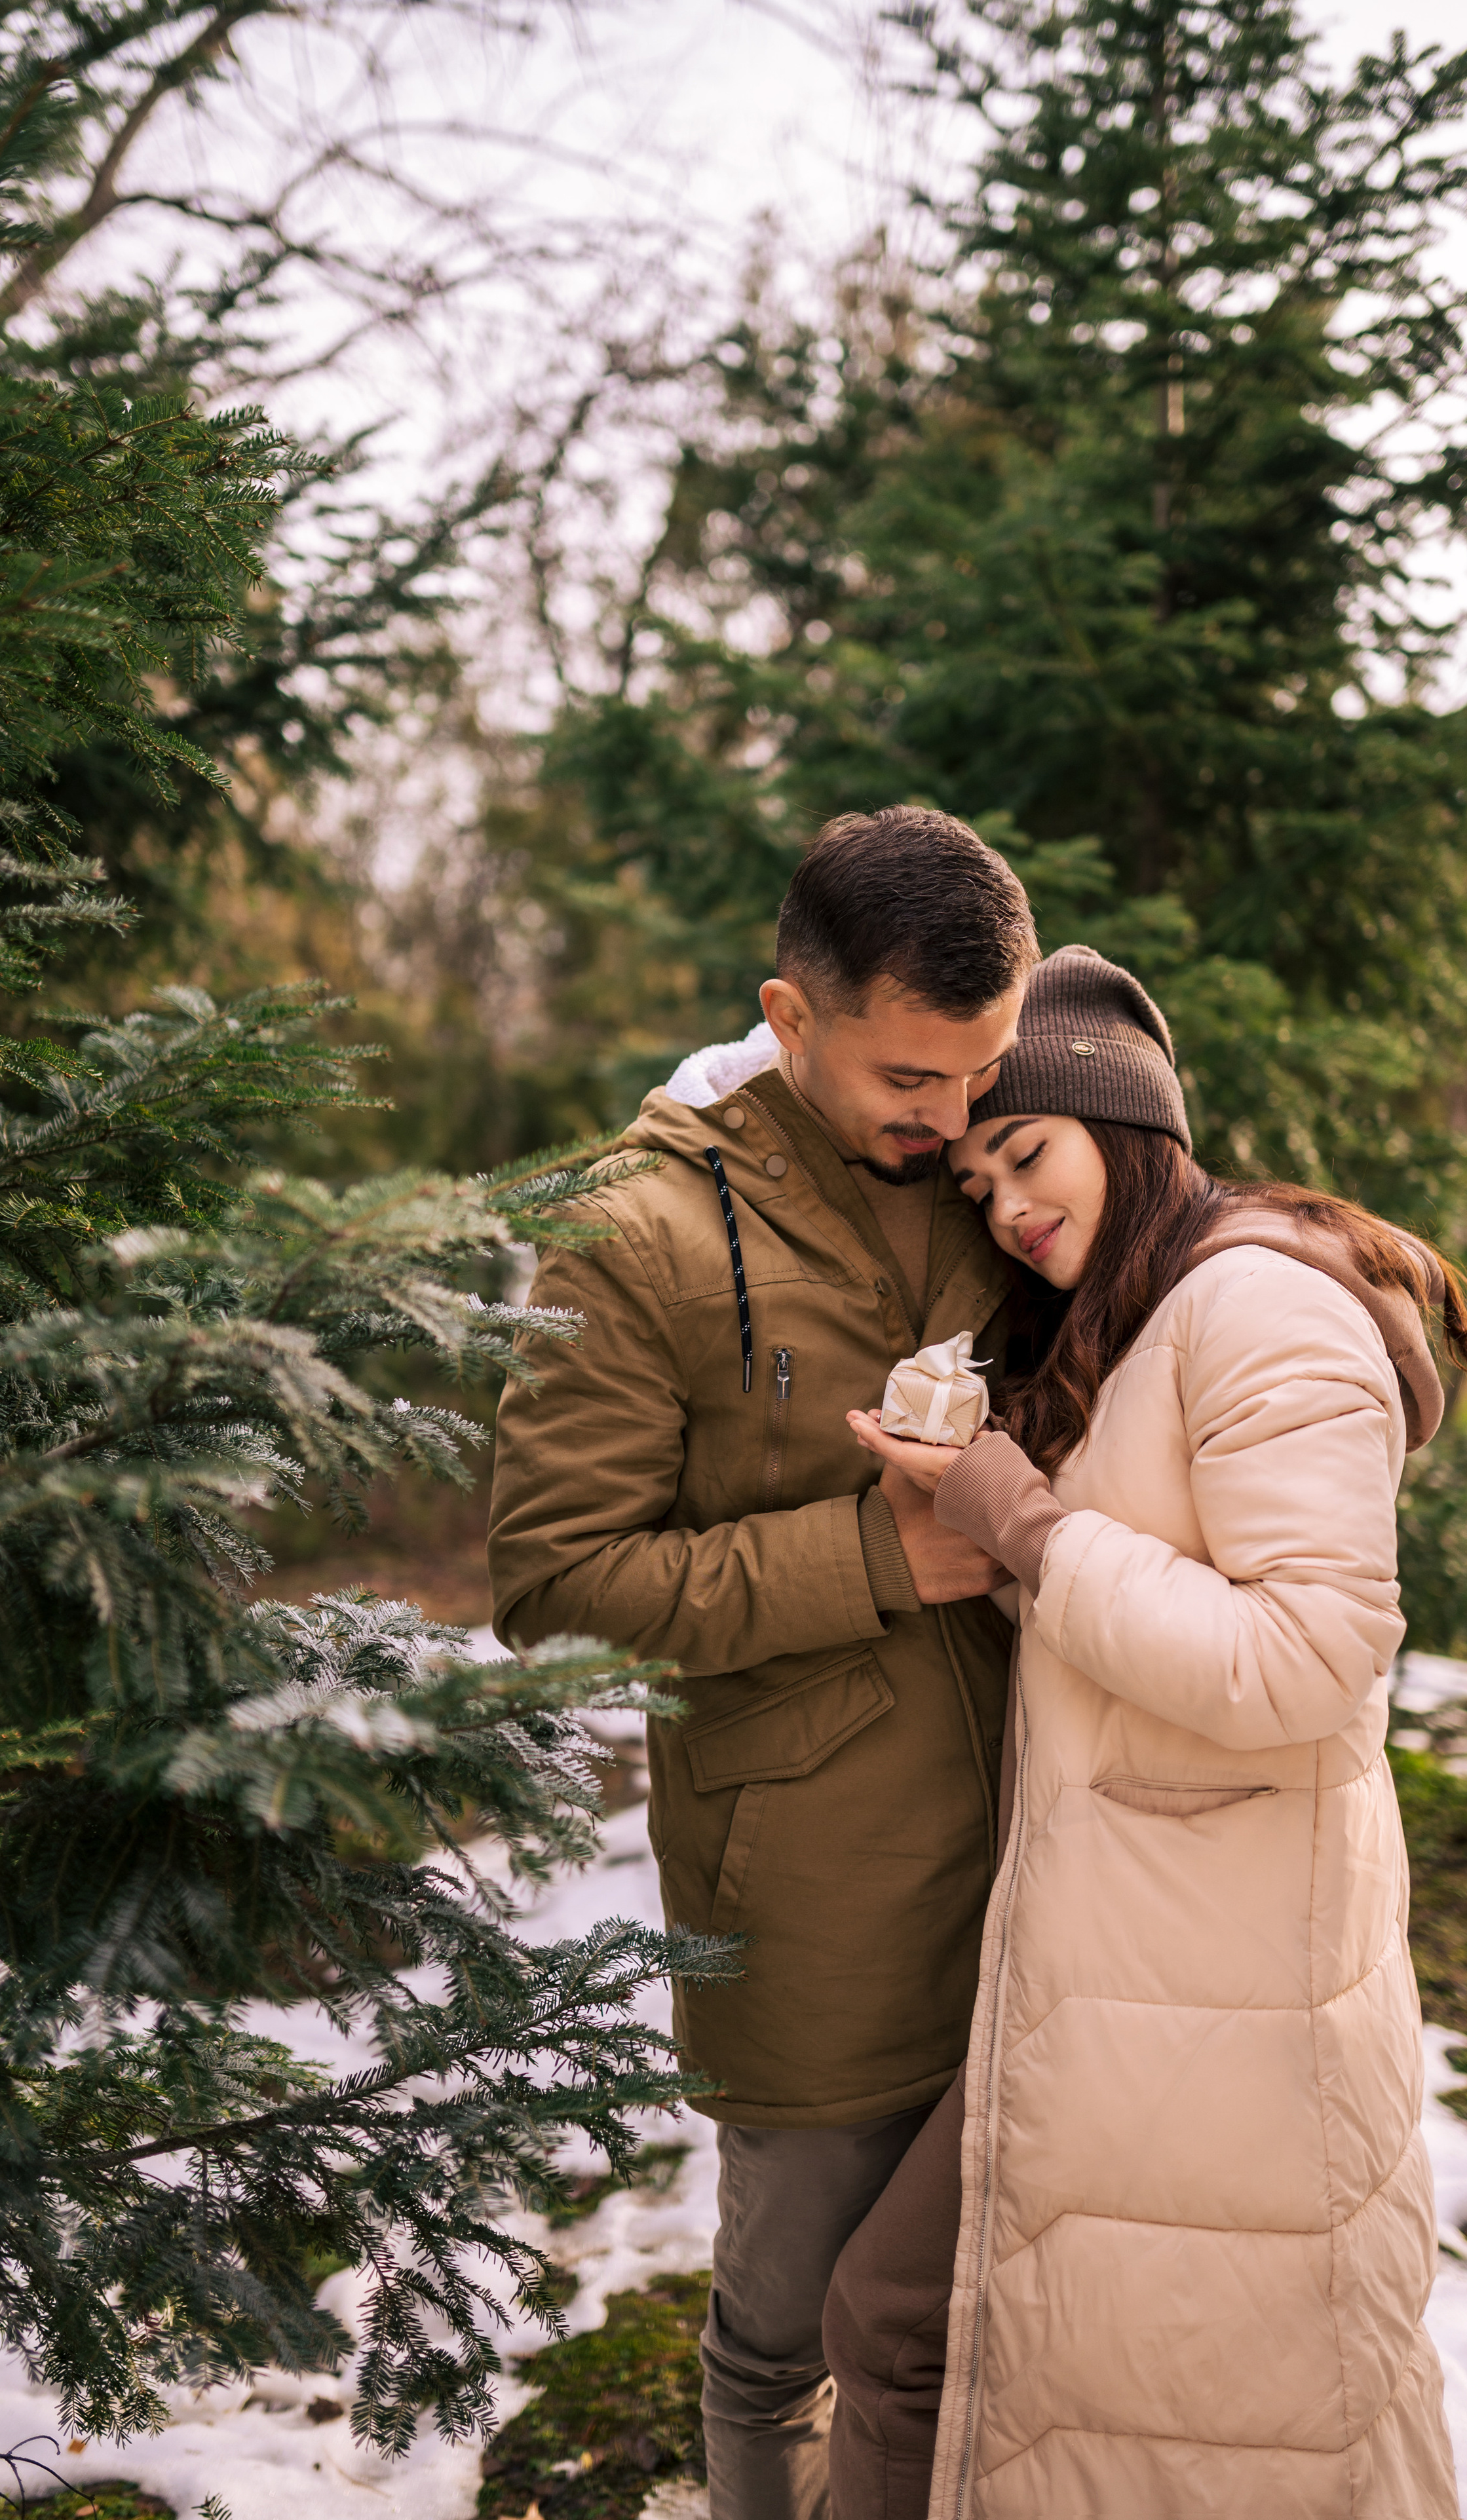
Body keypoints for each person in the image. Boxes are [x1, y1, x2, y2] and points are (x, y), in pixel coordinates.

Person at [825, 942, 1467, 2520]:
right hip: (1147, 1961)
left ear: (1130, 1131)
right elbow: (1136, 1621)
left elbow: (1304, 1658)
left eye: (1027, 1154)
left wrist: (1028, 1523)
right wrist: (977, 1518)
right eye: (977, 1181)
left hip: (1220, 1973)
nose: (1005, 1208)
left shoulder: (1255, 1311)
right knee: (939, 2335)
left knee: (975, 2345)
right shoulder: (1150, 1321)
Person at [487, 806, 1040, 2520]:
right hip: (804, 1883)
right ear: (787, 1019)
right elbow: (553, 1580)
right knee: (783, 2332)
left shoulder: (999, 1158)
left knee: (997, 2314)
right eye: (906, 1076)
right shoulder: (632, 1234)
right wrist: (874, 1556)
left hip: (1052, 1849)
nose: (949, 1118)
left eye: (981, 1070)